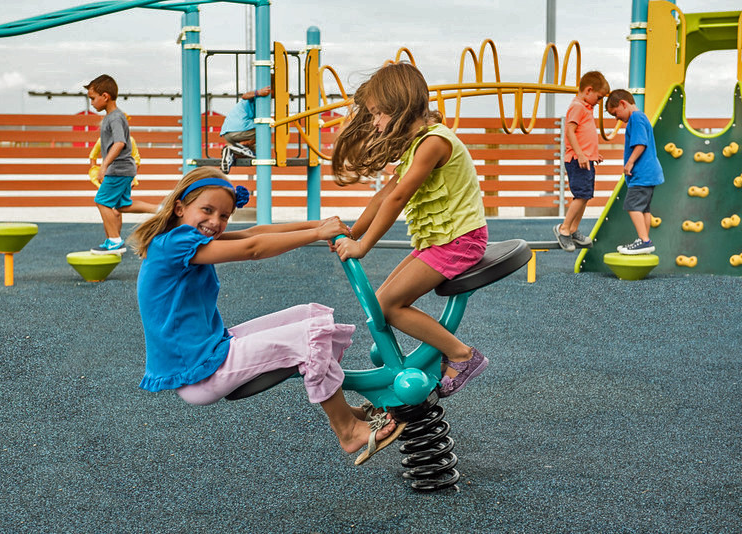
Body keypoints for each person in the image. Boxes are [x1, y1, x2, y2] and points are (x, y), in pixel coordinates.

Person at [130, 167, 405, 465]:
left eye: (224, 216)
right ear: (180, 207)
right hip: (202, 371)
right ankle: (348, 431)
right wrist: (316, 234)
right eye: (207, 210)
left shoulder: (181, 237)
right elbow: (253, 249)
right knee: (309, 338)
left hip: (210, 351)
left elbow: (253, 232)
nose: (215, 222)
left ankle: (346, 411)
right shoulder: (175, 243)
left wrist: (320, 224)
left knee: (309, 316)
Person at [330, 62, 489, 398]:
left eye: (378, 114)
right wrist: (353, 231)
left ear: (399, 106)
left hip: (459, 241)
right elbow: (384, 194)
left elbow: (399, 197)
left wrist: (362, 247)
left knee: (387, 306)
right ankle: (444, 352)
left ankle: (463, 355)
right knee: (380, 302)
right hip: (440, 242)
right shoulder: (416, 147)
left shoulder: (433, 142)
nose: (375, 122)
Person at [83, 74, 153, 255]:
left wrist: (104, 166)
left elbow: (120, 142)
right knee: (122, 205)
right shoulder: (113, 117)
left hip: (118, 169)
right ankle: (160, 210)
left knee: (101, 201)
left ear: (105, 96)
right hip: (124, 170)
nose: (91, 103)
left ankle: (114, 241)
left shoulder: (114, 117)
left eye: (92, 98)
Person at [553, 71, 610, 252]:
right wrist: (581, 154)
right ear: (588, 90)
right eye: (599, 97)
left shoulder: (586, 107)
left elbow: (585, 136)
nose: (599, 102)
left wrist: (593, 154)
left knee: (585, 196)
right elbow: (570, 131)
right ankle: (563, 229)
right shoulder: (577, 106)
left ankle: (573, 229)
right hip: (577, 160)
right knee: (580, 196)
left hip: (585, 160)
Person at [605, 89, 664, 254]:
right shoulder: (642, 117)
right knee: (644, 209)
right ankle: (645, 240)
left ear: (623, 104)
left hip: (642, 173)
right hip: (649, 173)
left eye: (615, 113)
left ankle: (644, 241)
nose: (617, 118)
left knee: (632, 205)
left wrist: (630, 162)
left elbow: (641, 143)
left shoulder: (636, 118)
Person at [219, 86, 271, 173]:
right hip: (238, 130)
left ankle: (232, 154)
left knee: (256, 154)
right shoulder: (257, 99)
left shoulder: (251, 106)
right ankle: (236, 147)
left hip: (229, 133)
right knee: (265, 131)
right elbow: (245, 96)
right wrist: (258, 92)